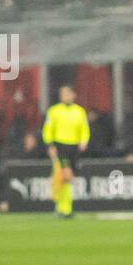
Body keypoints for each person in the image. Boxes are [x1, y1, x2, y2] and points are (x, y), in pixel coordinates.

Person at [42, 85, 90, 218]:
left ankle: (61, 207)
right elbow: (47, 129)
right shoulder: (54, 111)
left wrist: (84, 141)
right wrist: (50, 145)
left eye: (68, 93)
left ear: (73, 95)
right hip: (60, 147)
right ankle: (65, 209)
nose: (65, 96)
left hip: (74, 148)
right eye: (63, 94)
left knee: (68, 178)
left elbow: (84, 128)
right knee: (65, 175)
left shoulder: (79, 111)